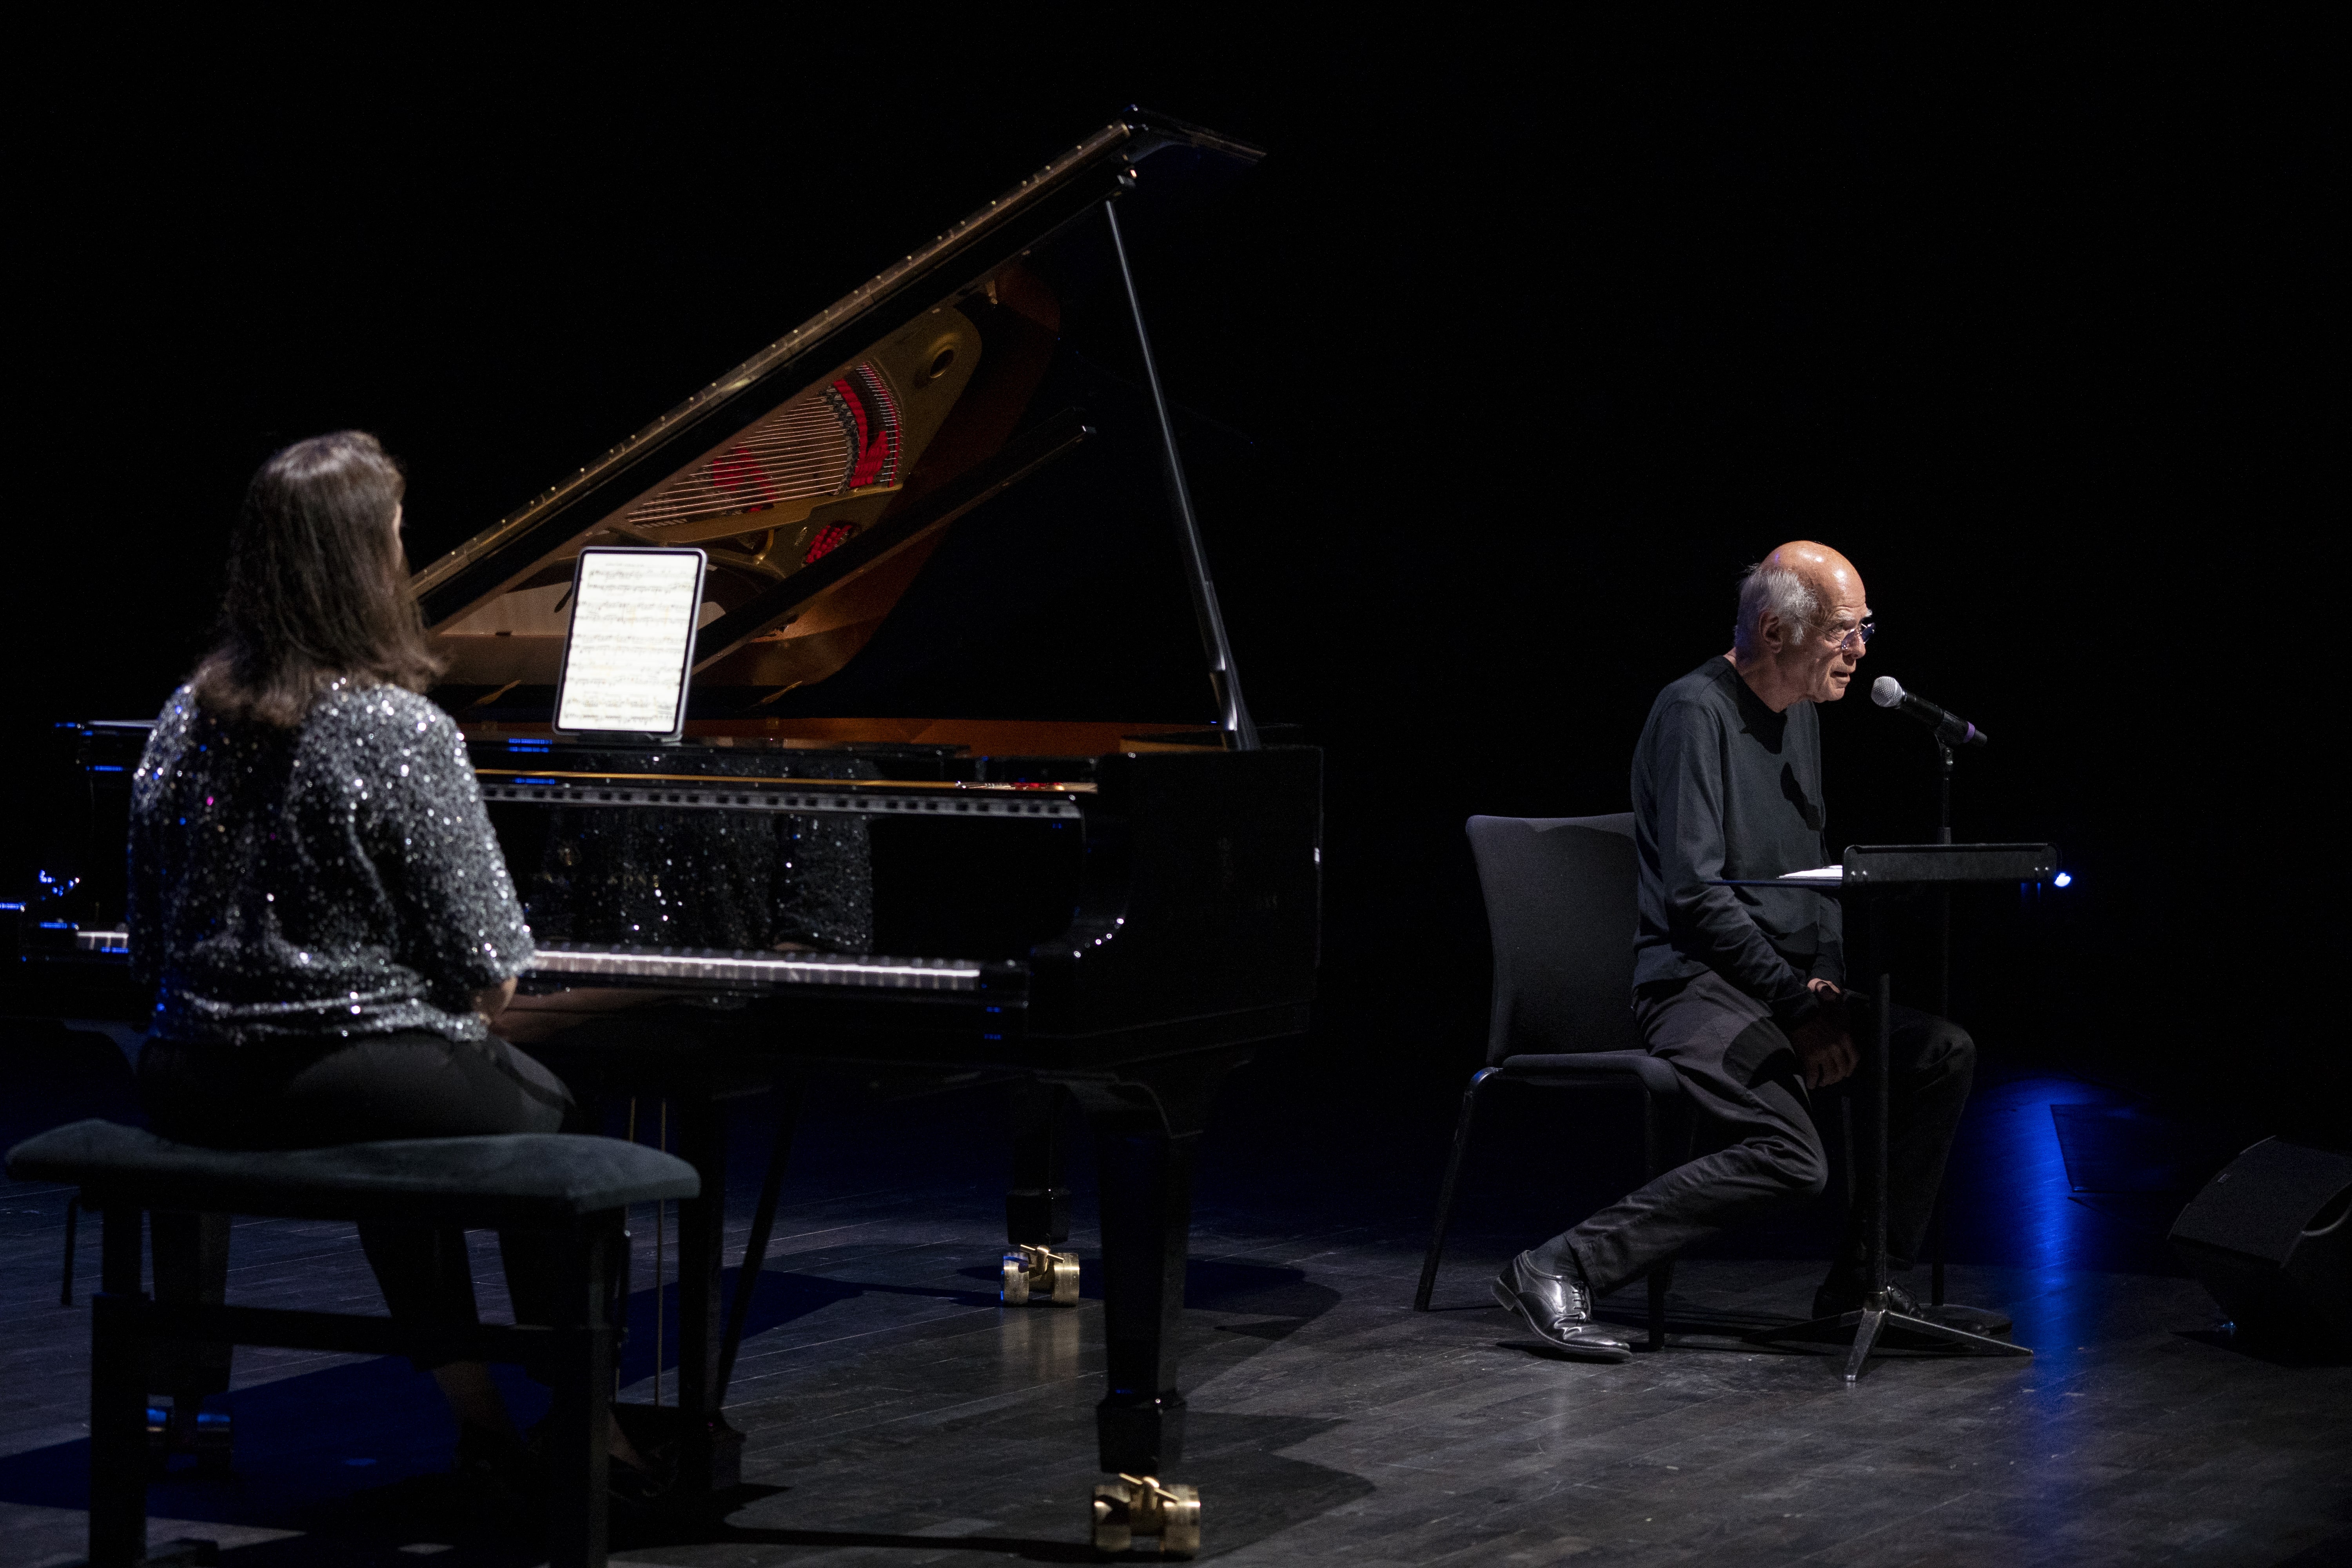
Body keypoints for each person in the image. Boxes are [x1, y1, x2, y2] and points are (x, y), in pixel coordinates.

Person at [127, 430, 645, 1480]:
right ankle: (592, 1427)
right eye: (400, 541)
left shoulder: (185, 718)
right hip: (348, 1069)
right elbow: (493, 961)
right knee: (565, 1127)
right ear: (367, 566)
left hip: (192, 1081)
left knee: (402, 1120)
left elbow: (149, 937)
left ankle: (481, 1420)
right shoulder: (397, 728)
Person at [1494, 541, 2010, 1360]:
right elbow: (1696, 897)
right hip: (1695, 984)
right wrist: (1798, 1006)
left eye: (1864, 626)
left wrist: (1827, 985)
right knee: (1792, 1157)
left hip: (1780, 986)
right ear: (1774, 630)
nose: (1862, 650)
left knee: (1940, 1053)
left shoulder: (1802, 714)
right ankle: (1558, 1265)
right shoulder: (1692, 713)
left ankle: (1860, 1285)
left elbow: (1817, 873)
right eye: (1845, 630)